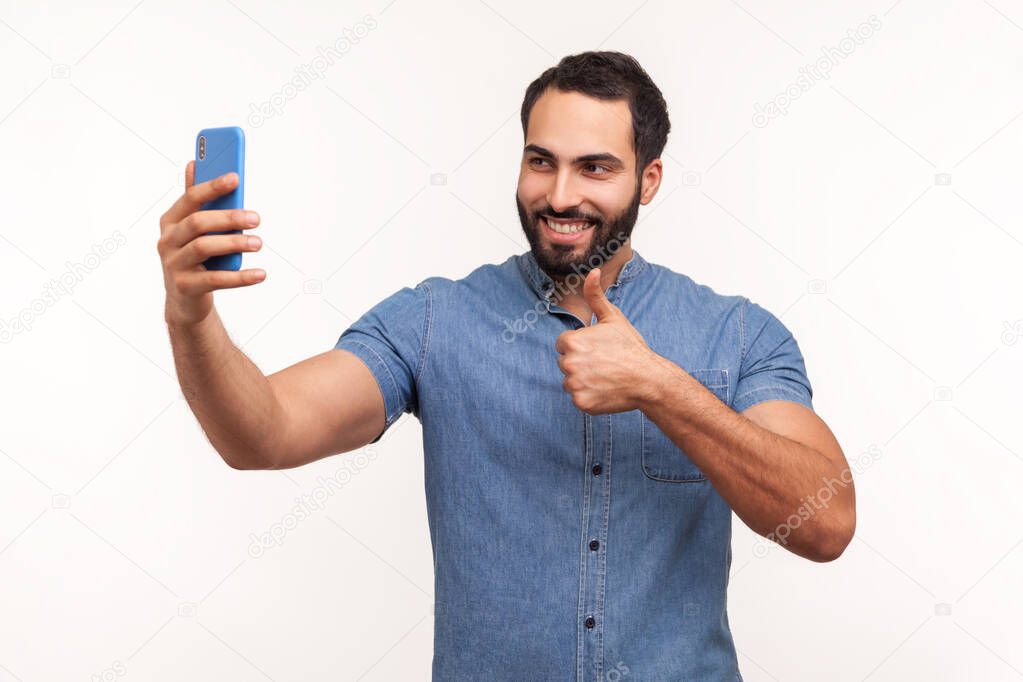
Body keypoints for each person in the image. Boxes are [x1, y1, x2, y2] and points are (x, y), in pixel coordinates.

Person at [157, 51, 855, 681]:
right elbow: (262, 435)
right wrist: (190, 319)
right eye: (540, 160)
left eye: (595, 167)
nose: (558, 196)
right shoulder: (434, 321)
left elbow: (826, 524)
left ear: (648, 180)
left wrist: (660, 387)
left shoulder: (735, 335)